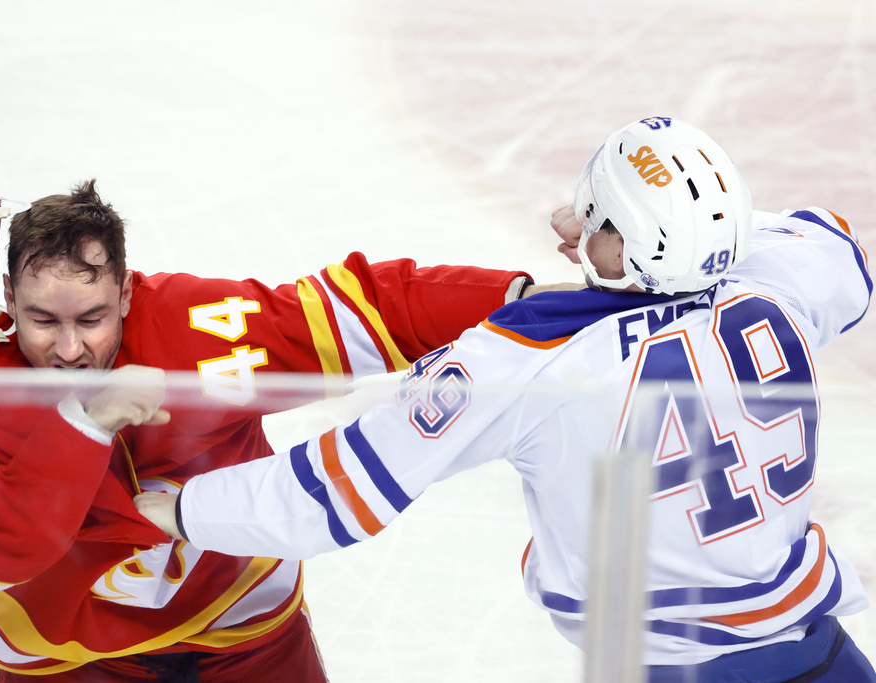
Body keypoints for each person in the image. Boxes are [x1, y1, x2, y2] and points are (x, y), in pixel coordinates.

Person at [134, 117, 876, 682]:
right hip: (816, 646)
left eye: (599, 212)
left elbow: (334, 496)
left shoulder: (528, 359)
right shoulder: (783, 282)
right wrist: (657, 239)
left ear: (632, 240)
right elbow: (837, 247)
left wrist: (181, 507)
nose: (578, 217)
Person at [0, 178, 537, 681]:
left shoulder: (200, 326)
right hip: (66, 658)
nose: (68, 348)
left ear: (126, 292)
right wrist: (83, 424)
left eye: (91, 318)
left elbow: (362, 310)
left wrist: (529, 307)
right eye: (44, 321)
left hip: (245, 635)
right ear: (10, 301)